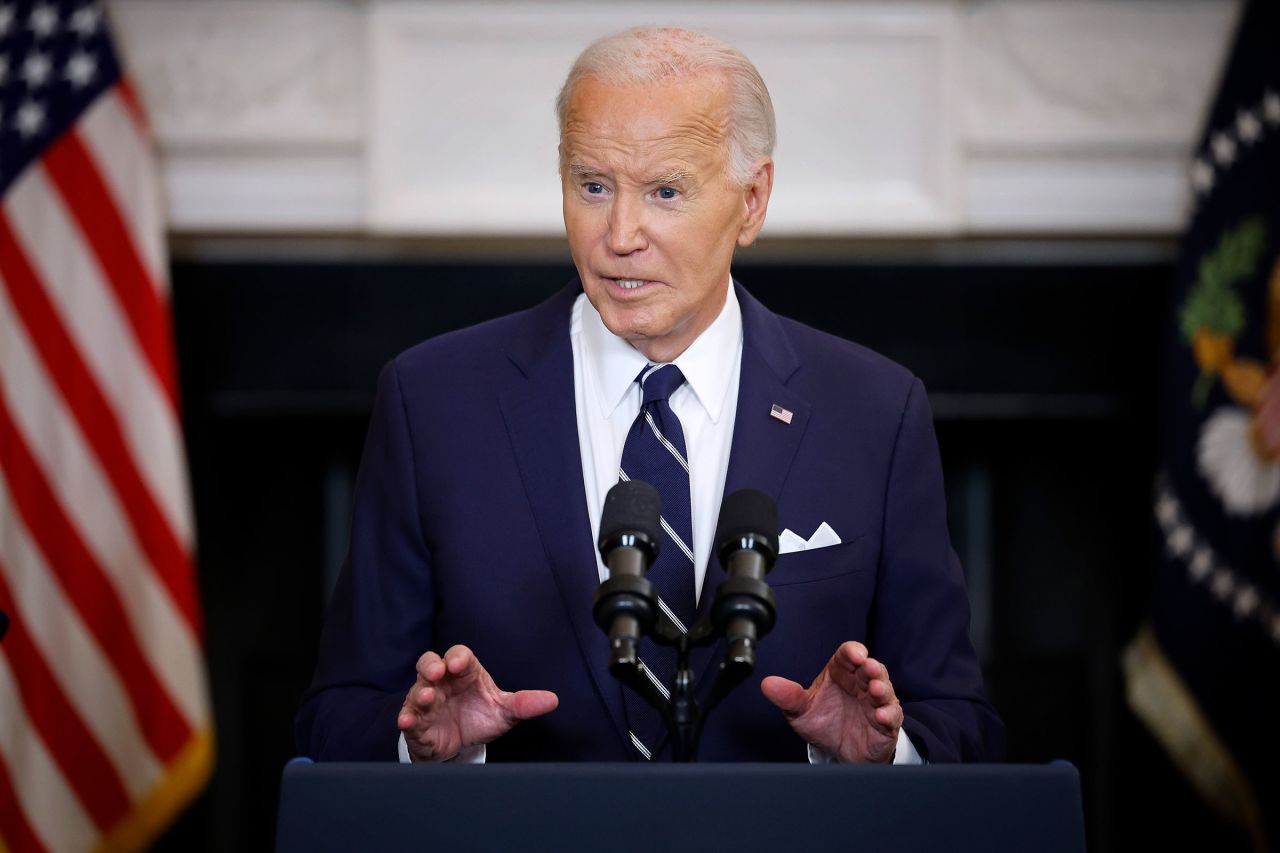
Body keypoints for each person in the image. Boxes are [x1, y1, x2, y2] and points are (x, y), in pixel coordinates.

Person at [296, 26, 1003, 765]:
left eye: (665, 191)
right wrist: (425, 749)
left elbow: (963, 724)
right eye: (592, 186)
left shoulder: (874, 413)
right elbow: (336, 717)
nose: (620, 234)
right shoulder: (432, 403)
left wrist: (886, 754)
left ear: (753, 201)